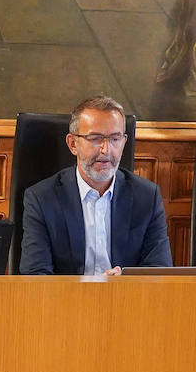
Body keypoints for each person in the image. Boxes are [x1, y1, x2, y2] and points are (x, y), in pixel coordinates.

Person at [20, 95, 171, 275]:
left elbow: (158, 270)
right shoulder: (42, 199)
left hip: (126, 300)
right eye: (95, 139)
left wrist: (124, 284)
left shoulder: (147, 197)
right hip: (67, 301)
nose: (106, 150)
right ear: (72, 144)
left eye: (115, 139)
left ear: (124, 142)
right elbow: (35, 275)